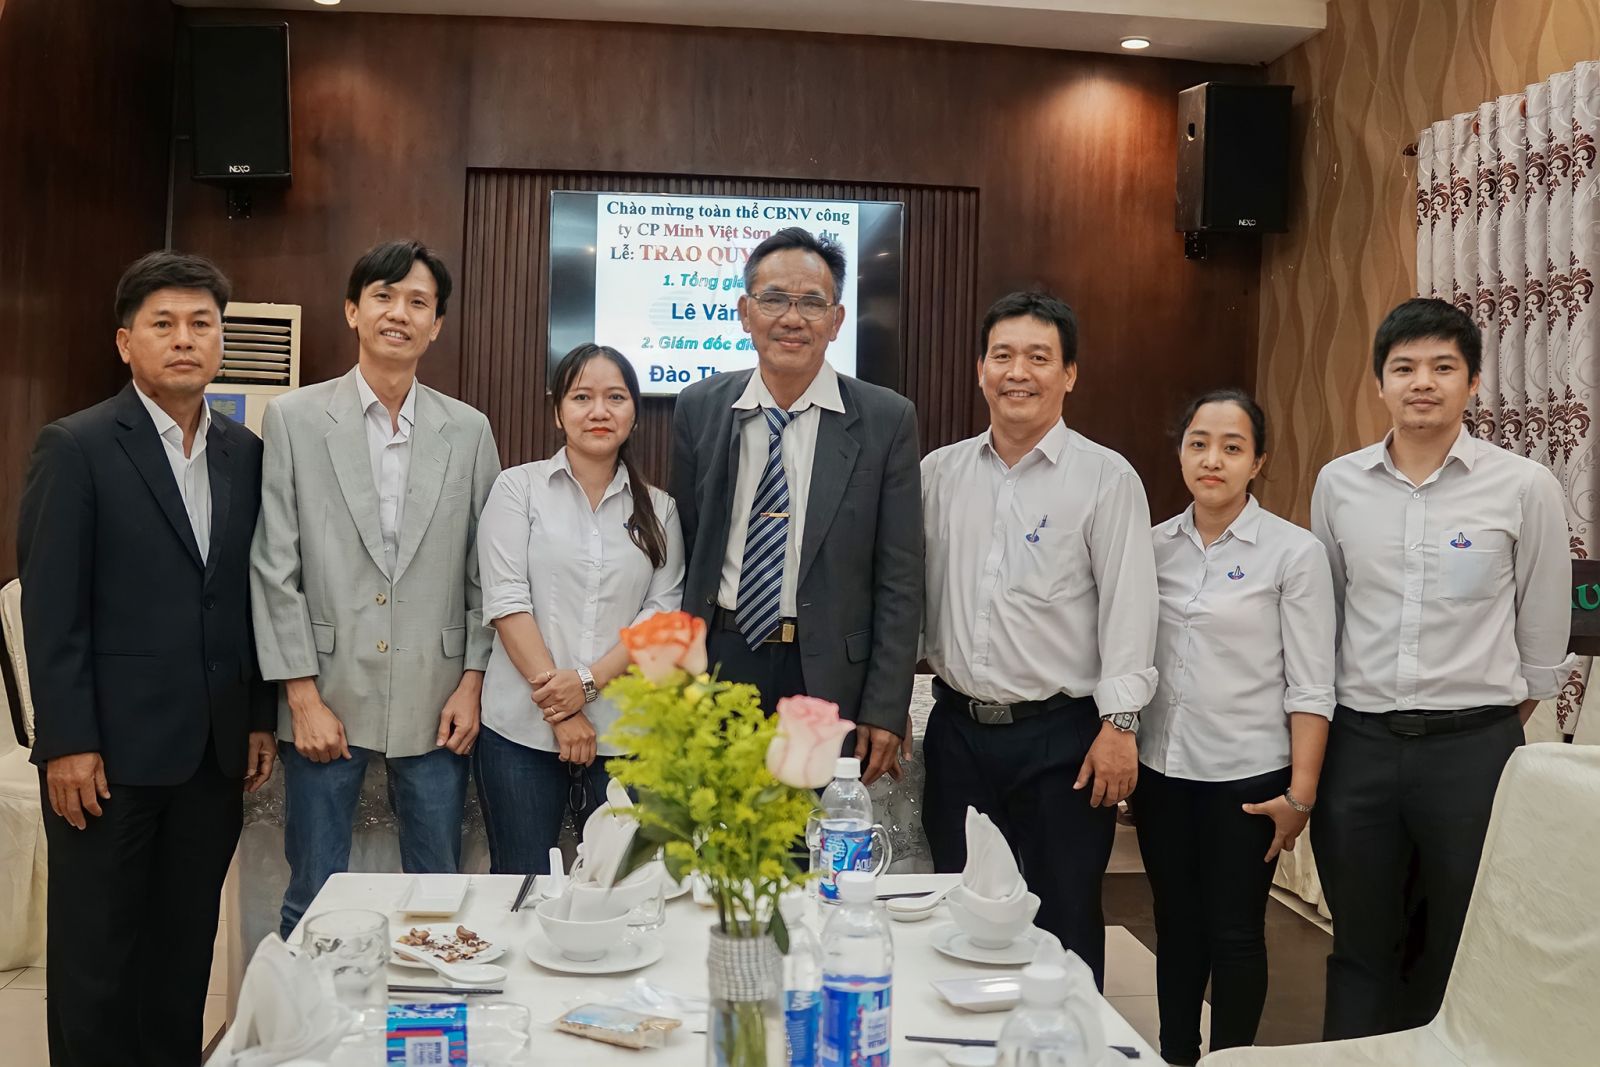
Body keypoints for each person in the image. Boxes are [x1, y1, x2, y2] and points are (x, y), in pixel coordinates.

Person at [18, 251, 276, 1066]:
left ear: (222, 340)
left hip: (211, 755)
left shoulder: (245, 452)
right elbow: (51, 608)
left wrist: (258, 716)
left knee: (180, 959)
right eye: (163, 323)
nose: (185, 338)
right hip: (106, 758)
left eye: (202, 323)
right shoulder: (77, 445)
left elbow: (246, 597)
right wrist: (66, 739)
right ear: (126, 341)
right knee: (97, 966)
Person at [1310, 298, 1572, 1039]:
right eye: (1404, 368)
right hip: (1359, 746)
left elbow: (1542, 624)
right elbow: (1326, 613)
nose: (1422, 382)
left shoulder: (1525, 486)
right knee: (1360, 943)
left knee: (1461, 946)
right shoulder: (1338, 484)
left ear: (1474, 382)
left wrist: (1487, 719)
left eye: (1442, 367)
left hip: (1474, 751)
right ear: (1380, 383)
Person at [251, 239, 501, 939]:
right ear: (352, 311)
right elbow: (274, 565)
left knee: (439, 895)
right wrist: (301, 698)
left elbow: (487, 569)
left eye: (418, 302)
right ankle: (312, 1009)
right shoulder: (295, 419)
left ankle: (430, 1006)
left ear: (437, 324)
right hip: (326, 692)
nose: (399, 313)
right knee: (313, 895)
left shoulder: (469, 430)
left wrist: (472, 682)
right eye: (384, 297)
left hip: (437, 698)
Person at [920, 290, 1157, 988]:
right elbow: (909, 592)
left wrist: (1119, 725)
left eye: (1039, 357)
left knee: (1065, 918)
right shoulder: (938, 474)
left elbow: (1130, 607)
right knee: (958, 908)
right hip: (958, 731)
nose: (1018, 372)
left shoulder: (1106, 477)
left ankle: (1070, 1038)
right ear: (980, 370)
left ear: (1069, 373)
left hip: (1063, 740)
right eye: (1003, 355)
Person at [669, 226, 922, 785]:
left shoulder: (886, 420)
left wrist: (885, 704)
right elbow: (685, 547)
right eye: (774, 299)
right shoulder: (700, 407)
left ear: (836, 320)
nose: (792, 318)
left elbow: (901, 579)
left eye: (812, 302)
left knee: (813, 830)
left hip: (827, 674)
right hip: (722, 659)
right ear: (745, 312)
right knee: (717, 825)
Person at [1135, 388, 1334, 1065]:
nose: (1212, 460)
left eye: (1231, 447)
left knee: (1236, 931)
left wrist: (1301, 794)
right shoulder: (1151, 546)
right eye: (1198, 443)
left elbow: (1312, 682)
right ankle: (1177, 1054)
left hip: (1248, 780)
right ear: (1180, 452)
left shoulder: (1293, 553)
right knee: (1175, 926)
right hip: (1163, 772)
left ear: (1258, 461)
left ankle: (1231, 1060)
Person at [474, 343, 684, 873]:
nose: (599, 411)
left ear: (634, 413)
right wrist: (563, 710)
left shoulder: (660, 509)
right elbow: (507, 601)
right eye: (582, 397)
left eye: (615, 397)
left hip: (625, 736)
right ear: (558, 412)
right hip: (521, 732)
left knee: (623, 888)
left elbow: (659, 616)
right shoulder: (517, 488)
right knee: (519, 886)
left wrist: (586, 684)